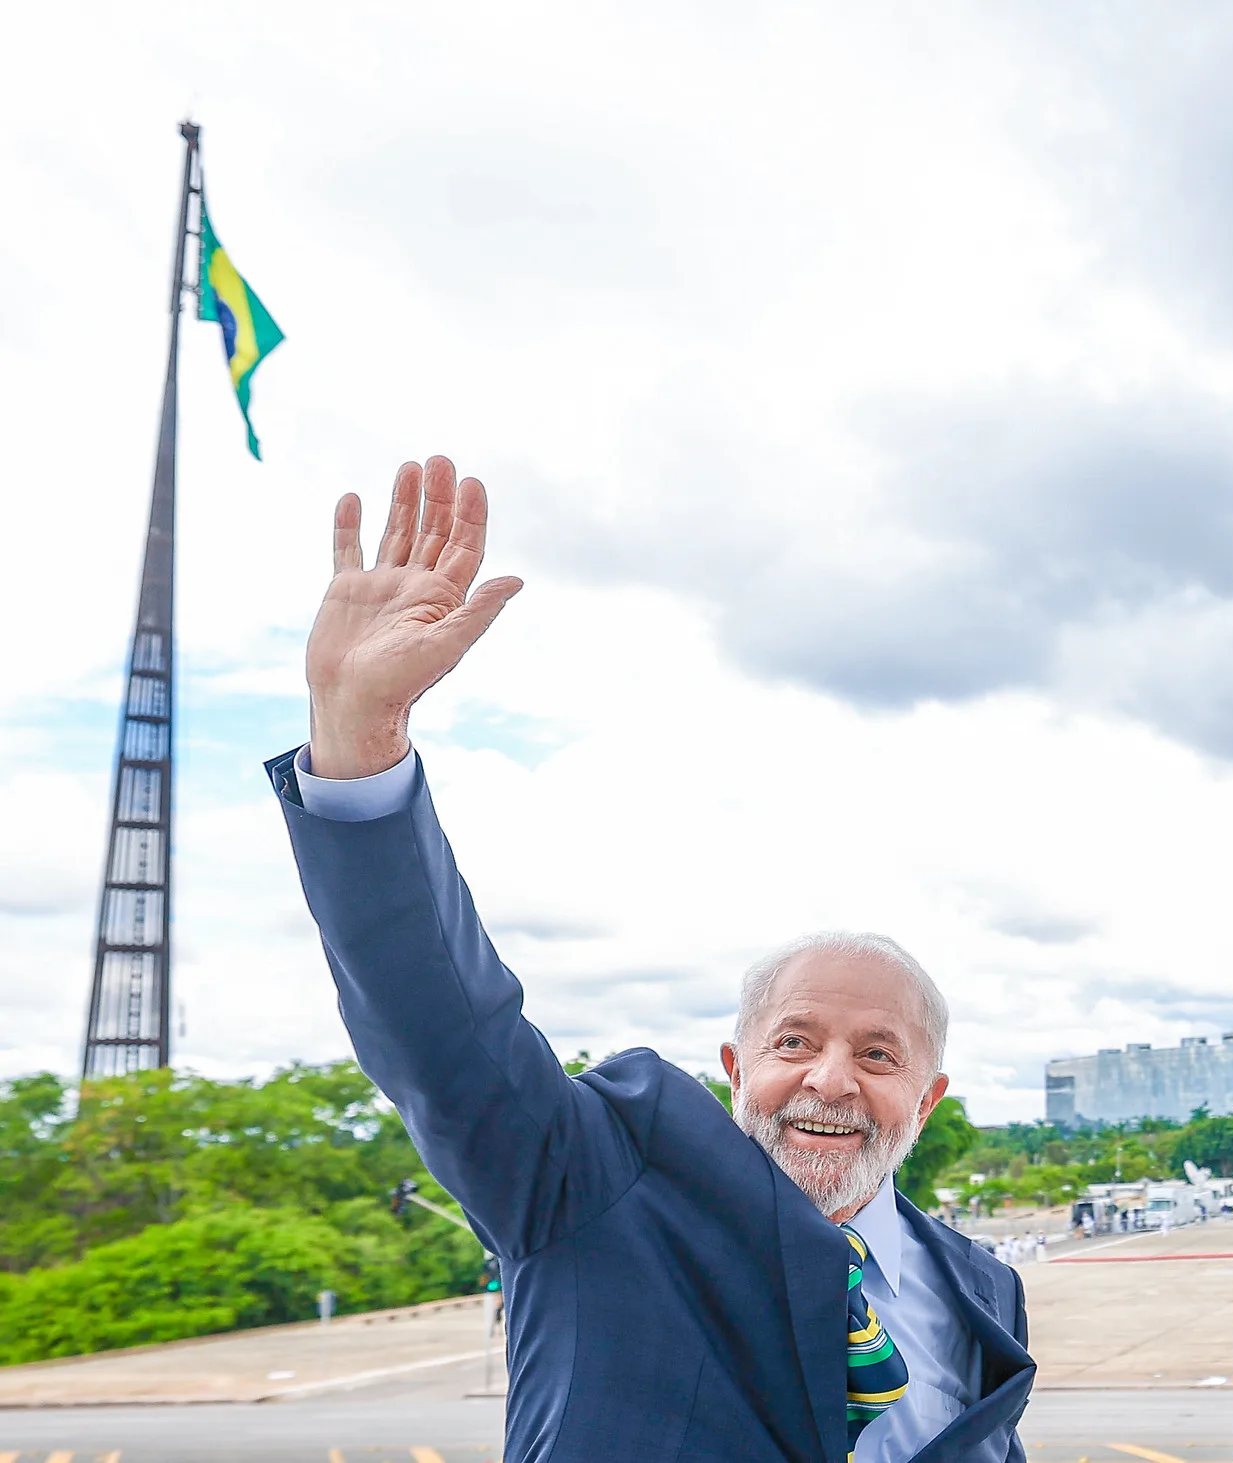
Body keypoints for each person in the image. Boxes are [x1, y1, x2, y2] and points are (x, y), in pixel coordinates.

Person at [263, 459, 1033, 1463]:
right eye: (793, 1038)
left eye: (879, 1055)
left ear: (926, 1099)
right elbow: (441, 1031)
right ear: (734, 1068)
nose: (828, 1078)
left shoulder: (982, 1287)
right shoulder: (591, 1185)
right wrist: (360, 736)